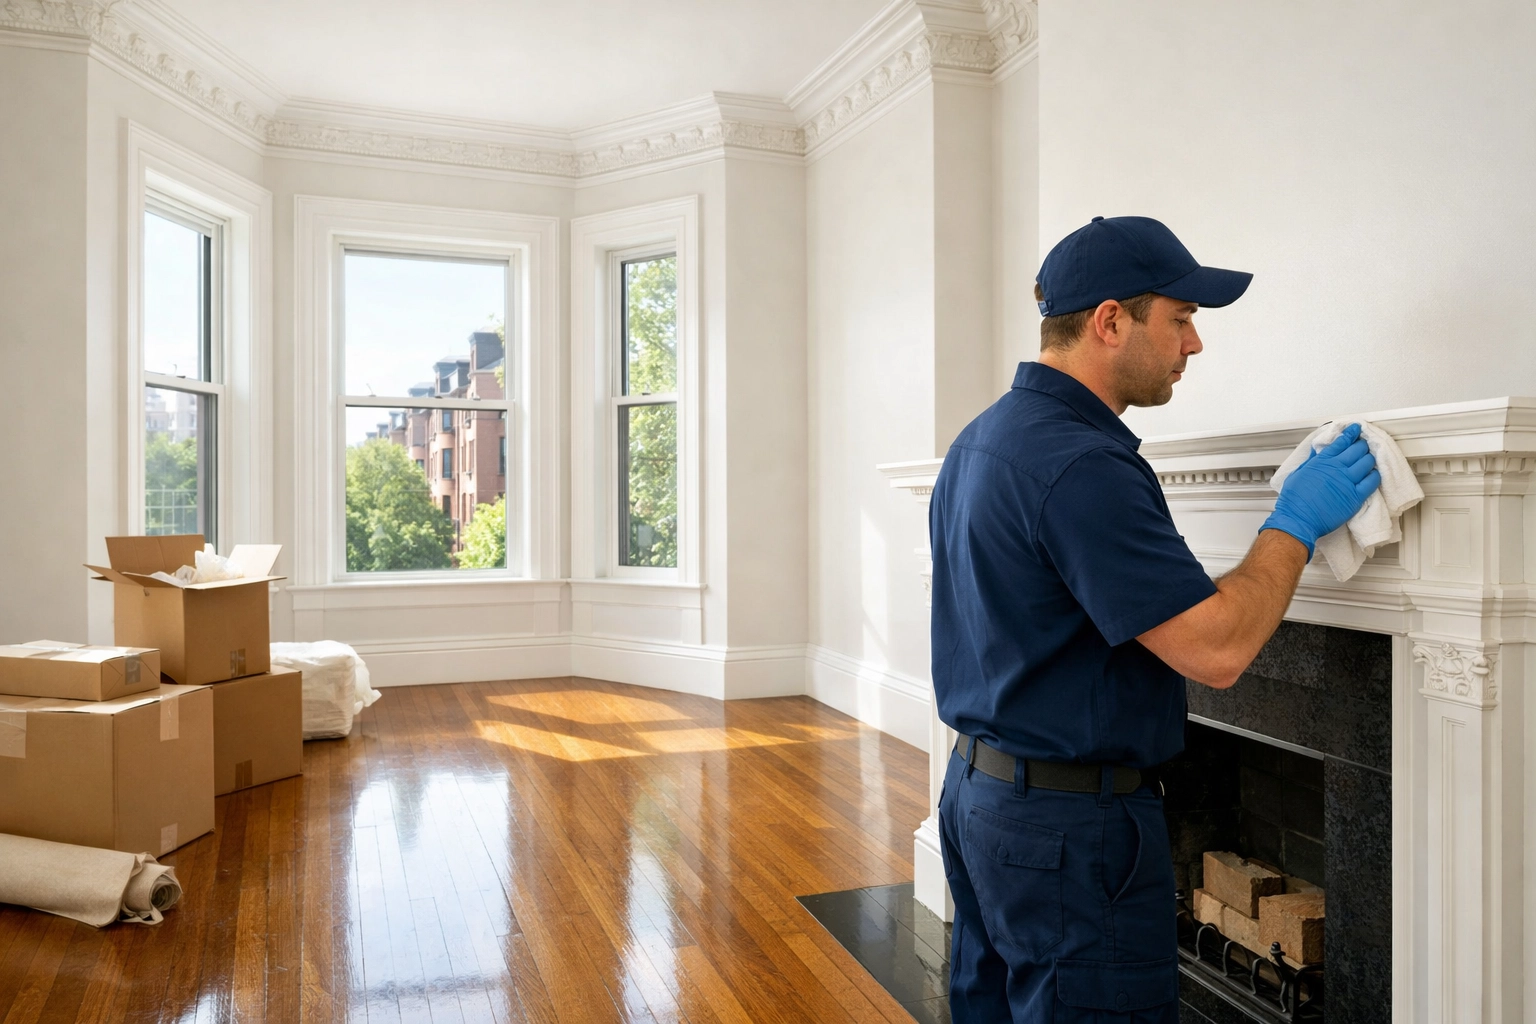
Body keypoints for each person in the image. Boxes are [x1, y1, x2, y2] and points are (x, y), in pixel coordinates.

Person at [929, 215, 1380, 1022]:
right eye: (1181, 319)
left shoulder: (982, 439)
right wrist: (1294, 523)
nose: (1194, 344)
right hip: (1067, 832)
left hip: (979, 797)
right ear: (1110, 321)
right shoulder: (1082, 464)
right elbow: (1219, 648)